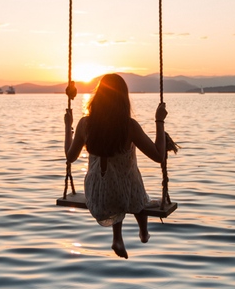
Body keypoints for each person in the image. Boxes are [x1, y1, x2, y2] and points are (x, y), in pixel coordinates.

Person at [65, 73, 177, 258]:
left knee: (115, 184)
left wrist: (67, 127)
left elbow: (70, 157)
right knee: (135, 192)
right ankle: (143, 232)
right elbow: (158, 156)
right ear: (123, 98)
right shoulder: (129, 127)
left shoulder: (85, 124)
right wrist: (159, 121)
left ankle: (117, 238)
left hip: (97, 197)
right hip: (127, 195)